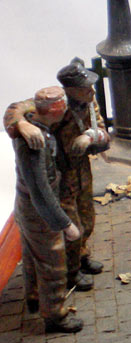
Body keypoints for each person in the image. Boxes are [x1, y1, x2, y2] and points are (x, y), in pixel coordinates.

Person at [3, 58, 110, 291]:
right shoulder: (52, 103)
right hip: (59, 176)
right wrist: (22, 125)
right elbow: (13, 110)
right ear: (70, 90)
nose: (92, 91)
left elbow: (104, 134)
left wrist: (90, 137)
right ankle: (71, 272)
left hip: (81, 171)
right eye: (85, 88)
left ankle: (81, 257)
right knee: (71, 224)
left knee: (87, 218)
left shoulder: (90, 104)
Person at [12, 86, 84, 333]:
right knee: (52, 265)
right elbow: (40, 191)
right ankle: (55, 315)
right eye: (63, 108)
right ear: (56, 111)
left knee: (32, 257)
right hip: (39, 213)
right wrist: (65, 224)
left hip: (27, 208)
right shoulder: (34, 142)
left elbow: (16, 108)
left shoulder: (32, 123)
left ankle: (33, 297)